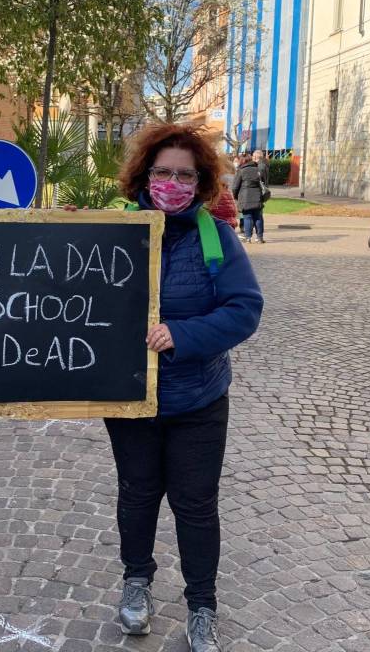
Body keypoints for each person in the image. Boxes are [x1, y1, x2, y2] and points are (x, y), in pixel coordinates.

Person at [108, 124, 263, 652]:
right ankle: (137, 583)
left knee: (196, 505)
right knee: (137, 494)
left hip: (198, 397)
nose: (171, 181)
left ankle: (202, 606)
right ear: (145, 176)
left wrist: (183, 335)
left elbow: (245, 309)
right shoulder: (115, 232)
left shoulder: (215, 237)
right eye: (162, 172)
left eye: (183, 174)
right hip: (130, 397)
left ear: (199, 183)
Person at [232, 153, 265, 243]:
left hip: (245, 197)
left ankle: (248, 237)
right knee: (258, 217)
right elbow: (263, 183)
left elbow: (235, 186)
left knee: (247, 217)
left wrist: (235, 196)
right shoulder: (258, 169)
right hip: (257, 196)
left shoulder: (241, 171)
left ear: (242, 161)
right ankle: (260, 237)